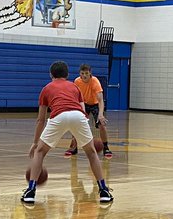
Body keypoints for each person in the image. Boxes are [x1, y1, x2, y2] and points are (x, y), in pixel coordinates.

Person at [24, 61, 113, 205]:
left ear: (51, 74)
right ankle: (103, 191)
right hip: (78, 116)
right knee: (91, 152)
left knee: (40, 152)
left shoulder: (46, 88)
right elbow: (83, 112)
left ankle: (30, 191)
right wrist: (77, 133)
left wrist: (35, 143)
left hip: (58, 115)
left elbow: (40, 120)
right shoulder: (74, 86)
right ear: (67, 75)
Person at [64, 63, 112, 158]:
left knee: (102, 124)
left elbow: (100, 100)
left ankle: (106, 147)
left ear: (90, 73)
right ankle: (74, 146)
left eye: (86, 73)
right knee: (76, 123)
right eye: (82, 73)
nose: (85, 75)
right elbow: (75, 97)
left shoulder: (95, 81)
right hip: (83, 103)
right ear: (80, 74)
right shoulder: (77, 81)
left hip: (94, 104)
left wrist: (101, 114)